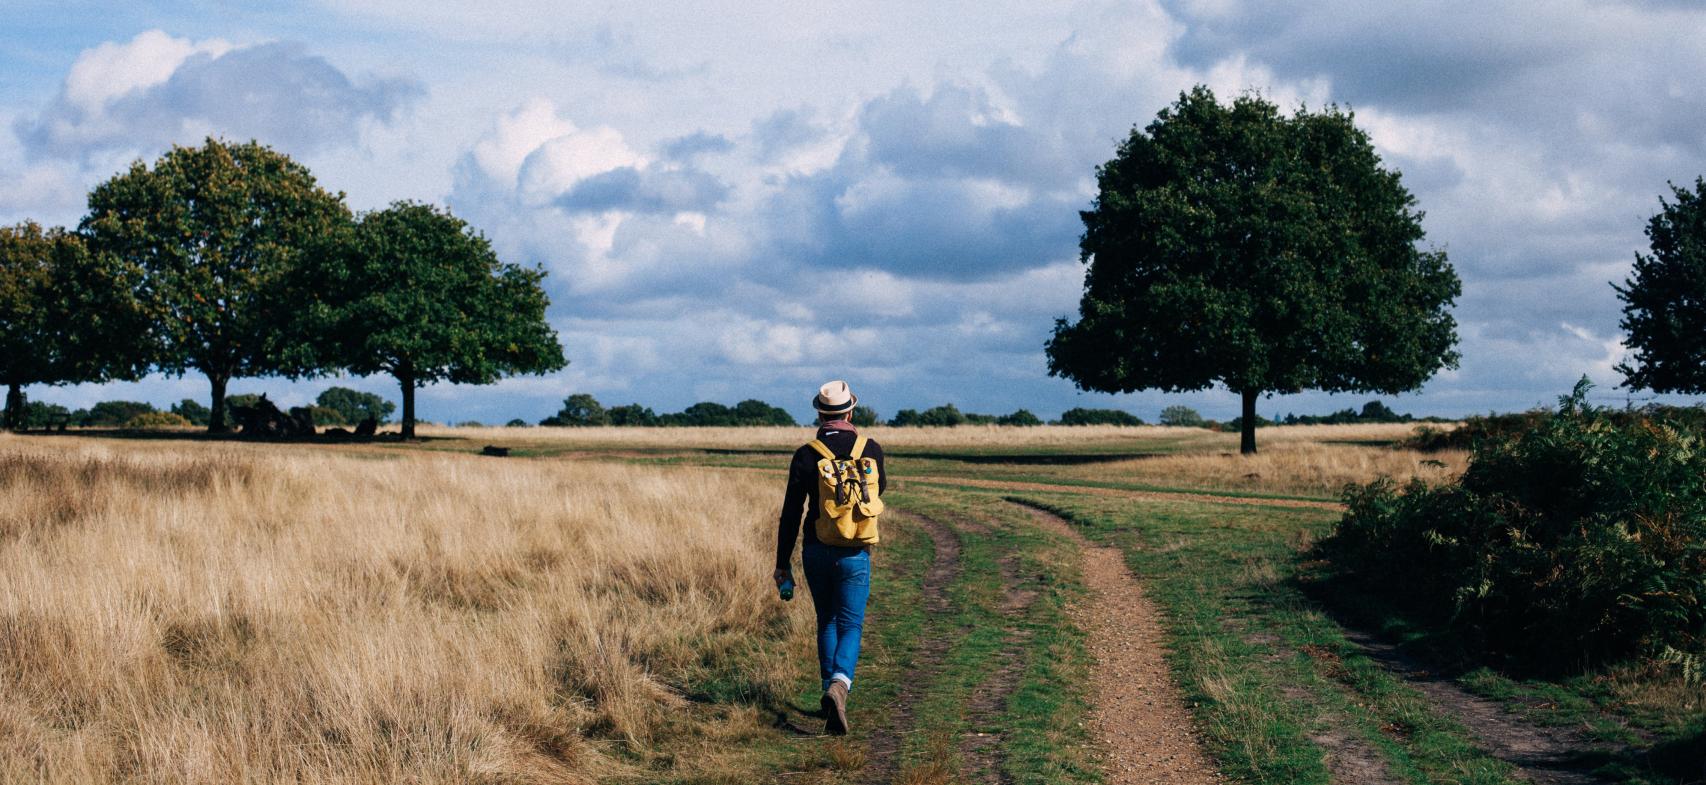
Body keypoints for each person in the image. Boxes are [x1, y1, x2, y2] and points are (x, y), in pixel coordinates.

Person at [775, 379, 887, 736]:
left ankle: (829, 693)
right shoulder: (871, 449)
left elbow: (791, 513)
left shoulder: (806, 454)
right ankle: (840, 686)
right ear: (851, 411)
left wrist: (782, 563)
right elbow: (877, 490)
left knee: (827, 621)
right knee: (851, 624)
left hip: (816, 549)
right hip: (855, 550)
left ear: (820, 414)